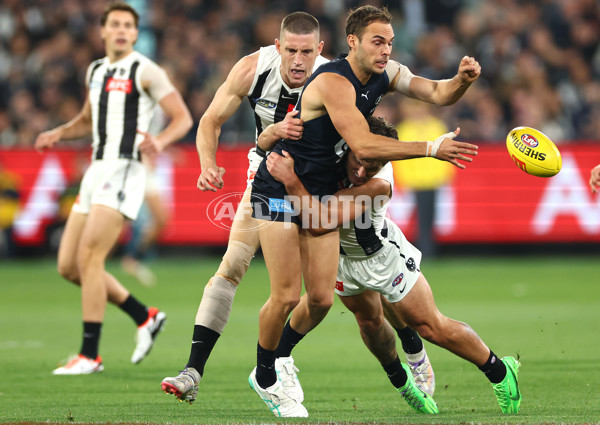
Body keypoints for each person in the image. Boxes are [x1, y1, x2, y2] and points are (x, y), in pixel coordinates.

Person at [248, 5, 480, 417]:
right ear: (352, 41)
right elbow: (366, 145)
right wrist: (430, 149)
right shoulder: (335, 82)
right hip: (279, 183)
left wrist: (460, 81)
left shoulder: (384, 73)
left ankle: (280, 362)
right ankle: (267, 375)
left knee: (319, 300)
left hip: (318, 191)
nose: (386, 50)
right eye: (377, 41)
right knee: (286, 295)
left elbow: (438, 93)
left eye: (390, 42)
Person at [267, 116, 521, 415]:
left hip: (383, 258)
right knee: (369, 323)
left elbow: (320, 219)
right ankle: (402, 382)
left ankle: (500, 373)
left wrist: (292, 181)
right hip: (342, 261)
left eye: (372, 165)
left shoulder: (379, 183)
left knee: (430, 326)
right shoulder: (333, 154)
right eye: (359, 161)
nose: (362, 171)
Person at [160, 11, 328, 402]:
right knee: (235, 264)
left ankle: (410, 350)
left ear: (319, 50)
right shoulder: (253, 69)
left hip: (318, 185)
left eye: (306, 51)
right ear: (277, 47)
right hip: (267, 176)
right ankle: (193, 371)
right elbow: (210, 120)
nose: (299, 60)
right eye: (291, 51)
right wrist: (207, 163)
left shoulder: (332, 78)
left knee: (329, 295)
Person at [34, 2, 193, 375]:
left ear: (136, 34)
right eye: (115, 25)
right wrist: (59, 132)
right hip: (96, 170)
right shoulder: (96, 70)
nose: (121, 31)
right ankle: (145, 316)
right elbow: (89, 121)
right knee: (69, 265)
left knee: (90, 257)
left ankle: (90, 354)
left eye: (128, 26)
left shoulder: (145, 69)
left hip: (125, 170)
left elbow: (182, 117)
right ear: (102, 31)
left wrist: (162, 140)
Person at [393, 98, 456, 258]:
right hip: (415, 183)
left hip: (432, 182)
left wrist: (442, 176)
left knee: (429, 219)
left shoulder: (435, 126)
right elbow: (401, 158)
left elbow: (446, 151)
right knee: (421, 220)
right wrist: (407, 180)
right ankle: (425, 252)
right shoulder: (405, 129)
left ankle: (427, 252)